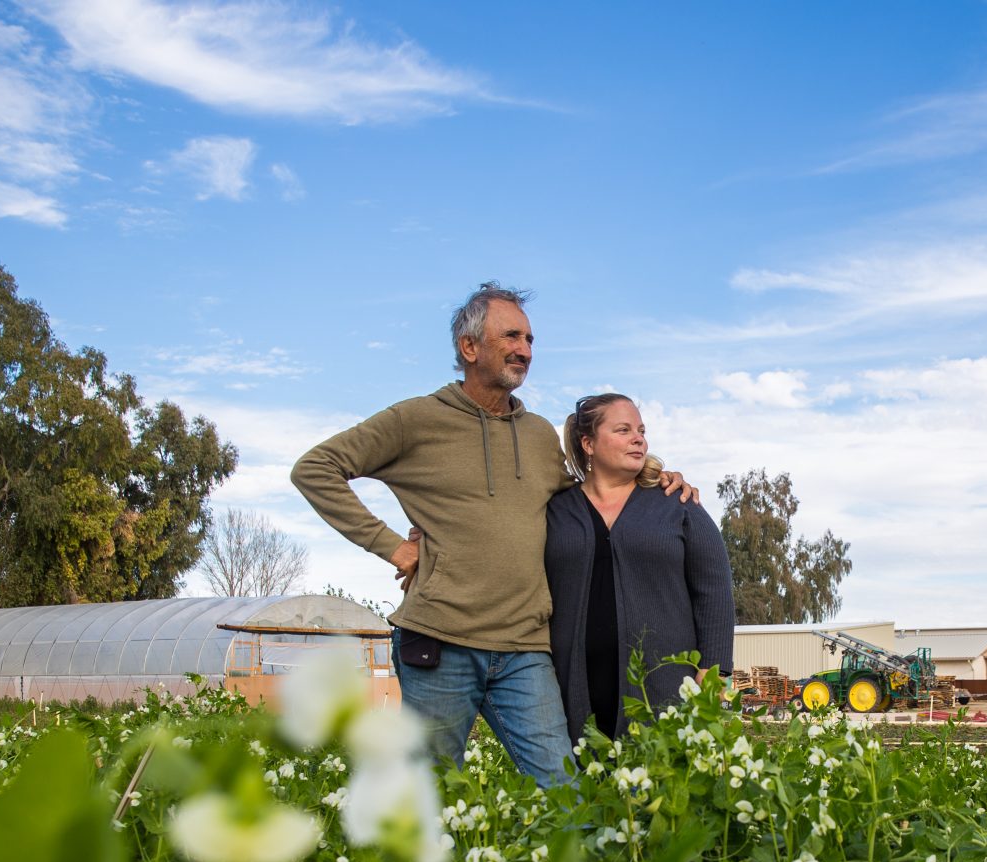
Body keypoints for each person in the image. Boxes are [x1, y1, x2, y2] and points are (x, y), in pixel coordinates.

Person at [290, 283, 696, 785]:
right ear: (469, 347)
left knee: (565, 789)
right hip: (441, 643)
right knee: (431, 794)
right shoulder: (413, 420)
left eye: (529, 339)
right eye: (511, 336)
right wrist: (391, 545)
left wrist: (656, 478)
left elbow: (586, 499)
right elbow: (315, 468)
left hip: (525, 648)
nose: (525, 349)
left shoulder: (539, 433)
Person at [545, 394, 734, 743]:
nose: (639, 438)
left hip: (663, 687)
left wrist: (715, 668)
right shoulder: (555, 512)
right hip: (572, 687)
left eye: (641, 430)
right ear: (588, 443)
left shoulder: (677, 503)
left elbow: (715, 587)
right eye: (623, 430)